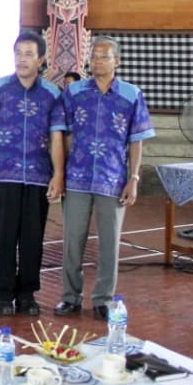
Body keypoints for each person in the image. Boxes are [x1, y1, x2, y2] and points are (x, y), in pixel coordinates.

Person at [55, 37, 155, 320]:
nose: (97, 61)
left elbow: (136, 140)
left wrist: (134, 177)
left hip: (113, 179)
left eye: (104, 56)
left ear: (117, 61)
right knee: (73, 240)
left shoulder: (131, 95)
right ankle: (70, 297)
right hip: (77, 178)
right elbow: (63, 135)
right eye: (94, 56)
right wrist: (60, 173)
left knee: (110, 243)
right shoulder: (74, 92)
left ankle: (103, 299)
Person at [0, 31, 65, 317]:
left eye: (28, 54)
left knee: (32, 239)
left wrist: (58, 174)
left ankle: (27, 294)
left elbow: (56, 138)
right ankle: (3, 295)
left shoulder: (53, 94)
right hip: (3, 177)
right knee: (2, 238)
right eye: (18, 53)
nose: (22, 59)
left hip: (39, 177)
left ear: (40, 59)